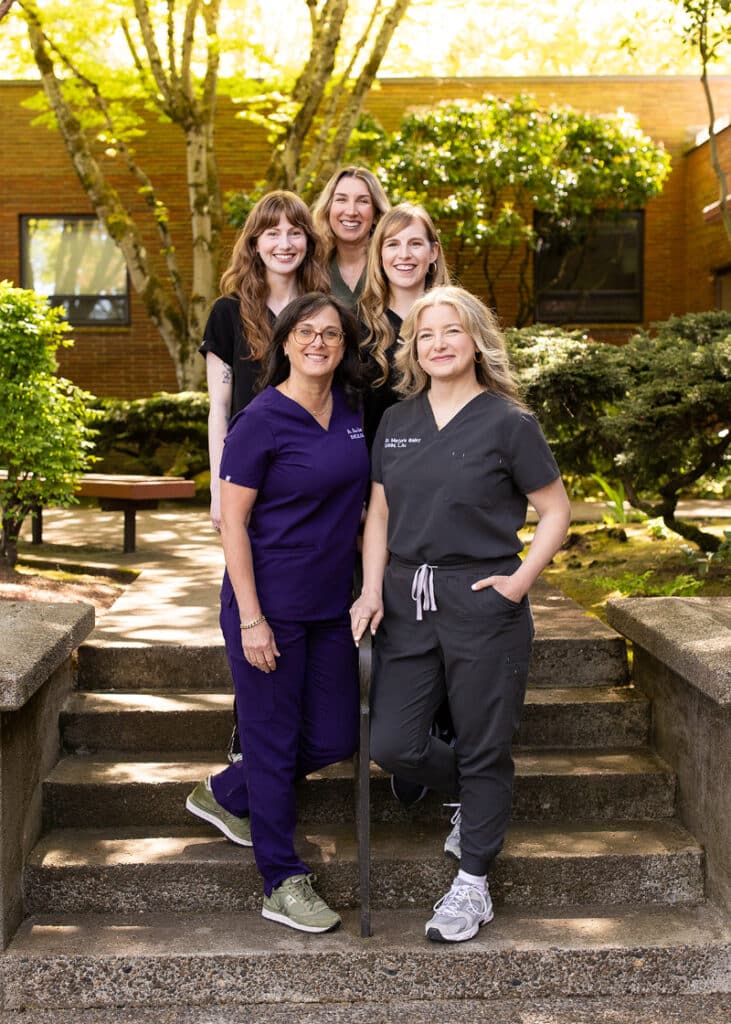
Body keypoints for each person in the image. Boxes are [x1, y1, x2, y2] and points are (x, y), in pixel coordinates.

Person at [350, 286, 571, 944]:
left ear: (476, 341)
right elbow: (379, 515)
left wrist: (519, 581)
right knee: (393, 745)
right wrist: (369, 590)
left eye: (451, 330)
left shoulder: (509, 422)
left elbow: (555, 510)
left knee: (483, 743)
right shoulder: (398, 420)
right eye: (425, 334)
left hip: (483, 599)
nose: (438, 343)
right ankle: (478, 798)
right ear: (412, 349)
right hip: (406, 599)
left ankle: (473, 882)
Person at [187, 293, 370, 934]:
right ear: (285, 341)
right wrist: (251, 619)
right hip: (267, 608)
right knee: (271, 741)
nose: (318, 342)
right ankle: (281, 880)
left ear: (343, 347)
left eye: (331, 334)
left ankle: (227, 792)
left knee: (338, 736)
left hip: (331, 607)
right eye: (306, 332)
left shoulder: (351, 413)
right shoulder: (260, 420)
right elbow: (232, 524)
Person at [200, 190, 330, 531]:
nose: (284, 244)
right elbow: (220, 408)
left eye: (295, 233)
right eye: (273, 233)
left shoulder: (323, 311)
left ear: (308, 242)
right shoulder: (227, 313)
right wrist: (218, 486)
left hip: (311, 469)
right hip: (248, 471)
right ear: (255, 243)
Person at [358, 202, 450, 449]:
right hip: (379, 464)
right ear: (379, 254)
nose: (404, 254)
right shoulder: (358, 328)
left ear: (433, 252)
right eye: (393, 244)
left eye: (415, 244)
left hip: (448, 459)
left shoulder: (458, 321)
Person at [311, 165, 391, 310]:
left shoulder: (391, 264)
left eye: (363, 201)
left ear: (376, 212)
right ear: (328, 208)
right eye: (341, 199)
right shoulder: (313, 266)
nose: (351, 211)